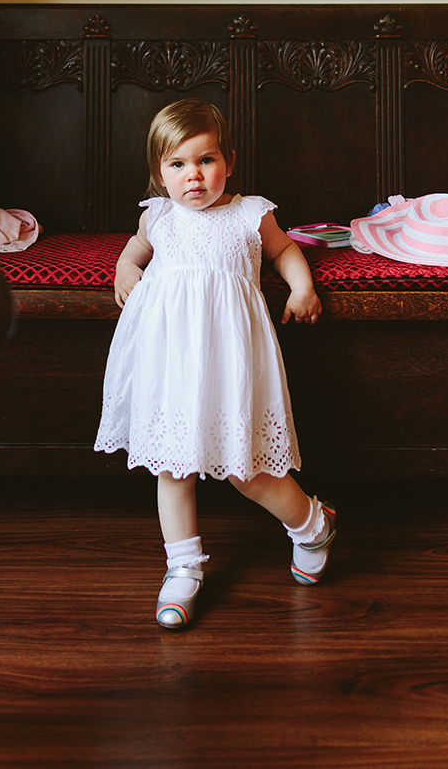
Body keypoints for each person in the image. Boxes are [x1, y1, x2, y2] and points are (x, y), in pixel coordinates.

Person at [94, 99, 335, 629]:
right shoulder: (157, 216)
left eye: (205, 161)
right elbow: (133, 251)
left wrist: (301, 286)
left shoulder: (250, 213)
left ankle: (312, 524)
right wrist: (124, 271)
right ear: (160, 173)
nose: (194, 176)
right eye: (177, 165)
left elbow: (284, 251)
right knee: (172, 465)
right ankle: (183, 568)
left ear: (228, 159)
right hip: (170, 361)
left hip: (229, 360)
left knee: (247, 469)